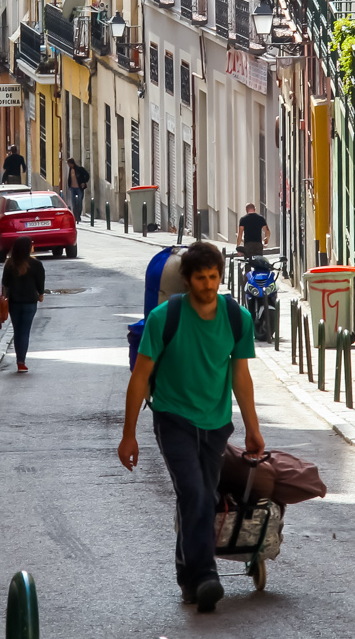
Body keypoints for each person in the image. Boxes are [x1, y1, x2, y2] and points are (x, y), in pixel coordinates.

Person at [118, 241, 263, 613]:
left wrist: (252, 427)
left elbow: (241, 376)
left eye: (214, 277)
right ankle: (204, 576)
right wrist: (128, 433)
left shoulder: (236, 318)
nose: (209, 284)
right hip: (173, 419)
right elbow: (141, 376)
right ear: (187, 279)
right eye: (201, 278)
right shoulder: (165, 317)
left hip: (216, 424)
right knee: (195, 494)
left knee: (199, 497)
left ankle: (188, 577)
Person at [0, 236, 46, 372]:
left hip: (14, 302)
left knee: (17, 330)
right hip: (30, 302)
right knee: (25, 331)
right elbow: (40, 283)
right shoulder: (36, 264)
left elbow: (5, 283)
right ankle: (21, 361)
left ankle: (19, 360)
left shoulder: (10, 264)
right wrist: (41, 294)